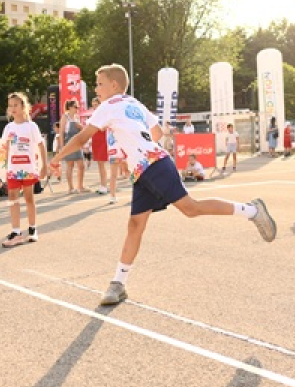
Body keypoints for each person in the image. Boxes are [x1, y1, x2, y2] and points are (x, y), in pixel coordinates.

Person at [50, 63, 276, 305]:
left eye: (99, 84)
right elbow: (156, 133)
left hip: (153, 164)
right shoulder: (134, 104)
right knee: (135, 225)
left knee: (191, 208)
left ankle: (252, 210)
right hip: (145, 167)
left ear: (114, 85)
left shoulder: (108, 107)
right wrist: (133, 154)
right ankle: (118, 283)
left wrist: (55, 158)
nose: (96, 89)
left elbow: (83, 137)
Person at [0, 92, 49, 247]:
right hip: (13, 169)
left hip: (28, 168)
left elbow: (41, 145)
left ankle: (32, 229)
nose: (13, 108)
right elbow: (4, 149)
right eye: (10, 105)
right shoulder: (8, 128)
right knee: (12, 199)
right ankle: (16, 232)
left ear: (23, 107)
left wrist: (44, 166)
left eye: (16, 105)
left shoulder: (31, 126)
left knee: (29, 198)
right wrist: (4, 169)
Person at [60, 100, 86, 194]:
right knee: (70, 165)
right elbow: (61, 132)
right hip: (68, 142)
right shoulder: (65, 117)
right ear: (70, 107)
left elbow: (83, 130)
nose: (77, 109)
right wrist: (62, 147)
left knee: (81, 166)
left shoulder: (77, 117)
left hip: (77, 142)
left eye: (78, 107)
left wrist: (80, 127)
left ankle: (80, 186)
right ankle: (71, 188)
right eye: (76, 107)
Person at [89, 97, 110, 194]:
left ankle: (104, 186)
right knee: (99, 164)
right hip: (95, 139)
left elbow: (105, 126)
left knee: (102, 164)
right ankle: (103, 185)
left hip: (102, 140)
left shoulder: (104, 114)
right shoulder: (94, 114)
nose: (94, 106)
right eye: (93, 105)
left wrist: (98, 126)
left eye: (96, 104)